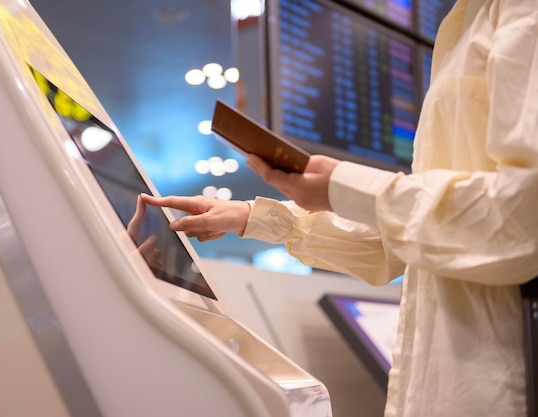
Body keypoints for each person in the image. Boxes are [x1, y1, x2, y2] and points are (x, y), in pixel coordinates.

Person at [142, 0, 538, 415]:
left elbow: (523, 219)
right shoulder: (462, 23)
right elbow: (409, 238)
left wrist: (345, 187)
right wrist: (251, 217)